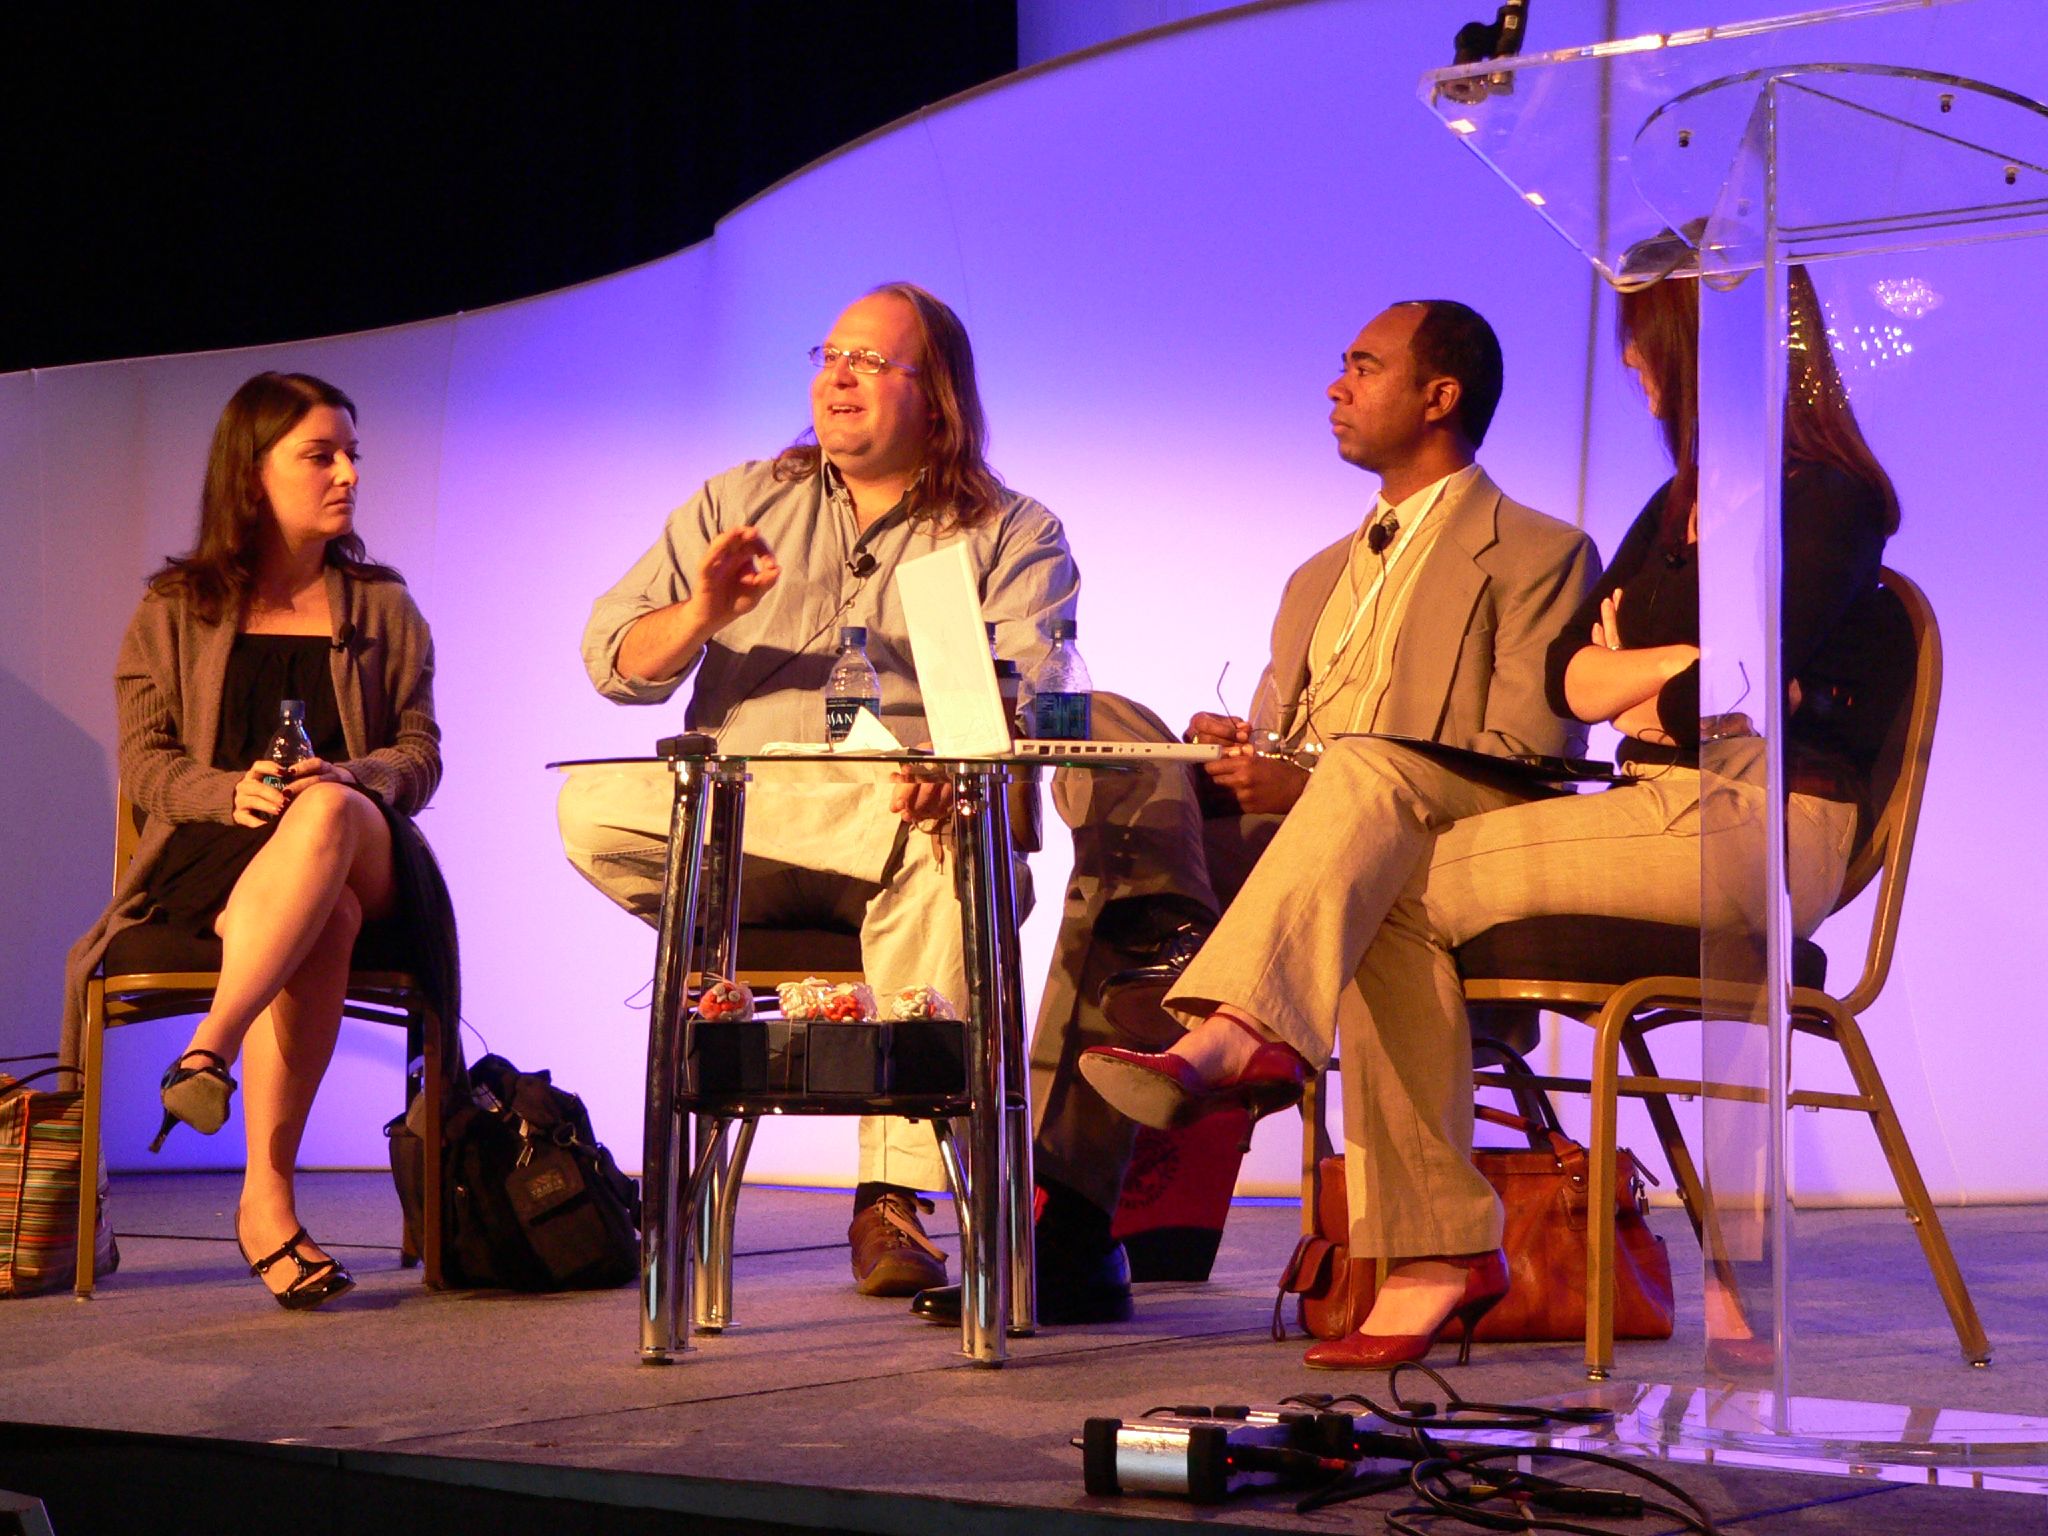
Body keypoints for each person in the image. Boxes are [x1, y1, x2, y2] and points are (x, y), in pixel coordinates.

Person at [1082, 261, 1897, 1369]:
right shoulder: (1672, 508)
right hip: (1653, 800)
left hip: (1764, 822)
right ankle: (1398, 1213)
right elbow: (1579, 675)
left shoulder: (1829, 498)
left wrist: (1658, 674)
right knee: (1371, 853)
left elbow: (1732, 677)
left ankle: (1312, 1116)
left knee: (1369, 854)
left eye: (1644, 336)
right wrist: (1664, 677)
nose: (1627, 363)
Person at [911, 299, 1600, 1328]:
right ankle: (1170, 947)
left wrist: (1314, 780)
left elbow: (1529, 759)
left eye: (1362, 367)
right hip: (1287, 855)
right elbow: (1284, 745)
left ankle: (1132, 1132)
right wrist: (1240, 753)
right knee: (1112, 731)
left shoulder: (1539, 552)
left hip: (1421, 863)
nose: (1335, 386)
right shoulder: (1314, 575)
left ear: (1437, 395)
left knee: (1325, 791)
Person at [557, 281, 1079, 1298]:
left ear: (936, 397)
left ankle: (888, 1201)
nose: (837, 376)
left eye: (871, 360)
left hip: (908, 835)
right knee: (590, 807)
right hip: (748, 846)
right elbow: (615, 665)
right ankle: (871, 818)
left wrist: (951, 765)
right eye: (827, 354)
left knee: (946, 851)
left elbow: (1048, 701)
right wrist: (702, 608)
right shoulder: (737, 499)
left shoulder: (1013, 531)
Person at [63, 372, 454, 1311]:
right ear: (252, 472)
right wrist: (226, 791)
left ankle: (209, 1052)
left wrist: (353, 778)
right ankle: (266, 1202)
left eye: (353, 454)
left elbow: (421, 755)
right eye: (321, 455)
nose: (348, 474)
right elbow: (148, 767)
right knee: (326, 916)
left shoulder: (381, 606)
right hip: (221, 855)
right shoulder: (173, 608)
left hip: (362, 837)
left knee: (321, 822)